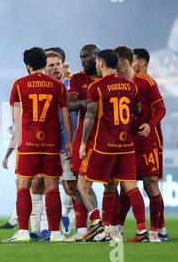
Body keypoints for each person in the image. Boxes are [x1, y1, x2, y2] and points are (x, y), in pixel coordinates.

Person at [77, 49, 149, 242]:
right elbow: (137, 109)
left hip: (104, 146)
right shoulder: (131, 86)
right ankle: (140, 231)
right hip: (126, 145)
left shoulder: (97, 87)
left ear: (101, 63)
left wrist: (83, 143)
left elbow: (90, 117)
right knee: (127, 186)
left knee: (82, 184)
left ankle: (97, 223)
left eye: (98, 63)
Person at [4, 47, 72, 243]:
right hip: (51, 144)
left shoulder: (19, 85)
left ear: (28, 65)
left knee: (23, 187)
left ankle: (23, 232)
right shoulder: (58, 86)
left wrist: (16, 140)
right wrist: (69, 141)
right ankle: (56, 233)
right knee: (52, 188)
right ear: (44, 63)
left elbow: (16, 119)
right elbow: (66, 114)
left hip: (29, 144)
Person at [114, 46, 166, 242]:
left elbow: (161, 109)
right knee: (126, 187)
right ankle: (118, 229)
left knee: (151, 185)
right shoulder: (118, 82)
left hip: (146, 143)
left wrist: (149, 124)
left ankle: (155, 232)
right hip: (126, 143)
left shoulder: (146, 82)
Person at [65, 44, 101, 241]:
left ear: (98, 57)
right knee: (80, 184)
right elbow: (70, 104)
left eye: (87, 56)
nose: (83, 60)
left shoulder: (107, 78)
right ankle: (82, 228)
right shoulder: (79, 78)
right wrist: (88, 104)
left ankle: (109, 227)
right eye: (81, 57)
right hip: (84, 138)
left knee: (111, 185)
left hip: (106, 138)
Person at [45, 51, 78, 235]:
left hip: (67, 144)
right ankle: (43, 229)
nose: (56, 68)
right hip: (47, 145)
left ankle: (80, 224)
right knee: (42, 186)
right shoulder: (42, 87)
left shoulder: (72, 86)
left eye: (58, 64)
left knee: (70, 186)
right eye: (51, 65)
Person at [0, 125, 50, 241]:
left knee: (42, 186)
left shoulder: (22, 109)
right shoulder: (21, 115)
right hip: (26, 151)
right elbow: (16, 134)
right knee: (26, 188)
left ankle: (45, 229)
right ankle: (35, 231)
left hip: (42, 148)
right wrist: (6, 156)